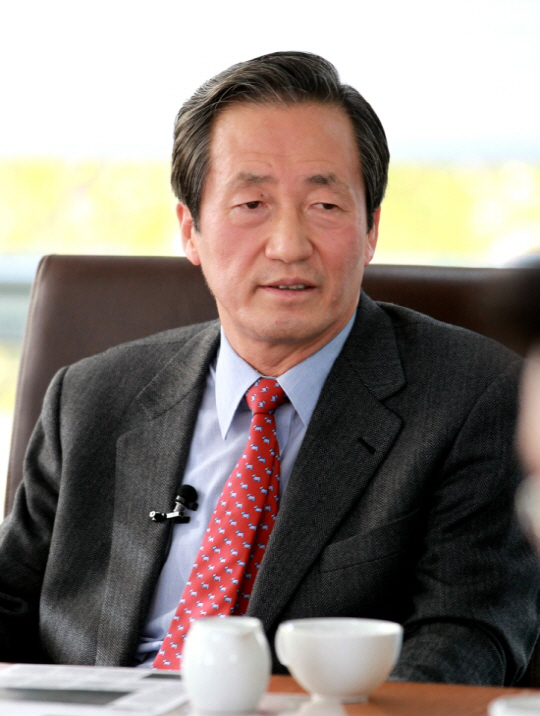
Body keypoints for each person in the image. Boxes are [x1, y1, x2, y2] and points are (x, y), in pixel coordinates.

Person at [0, 51, 538, 685]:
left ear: (370, 229)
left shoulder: (475, 398)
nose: (288, 246)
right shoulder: (90, 397)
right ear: (190, 230)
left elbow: (469, 636)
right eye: (251, 203)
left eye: (325, 205)